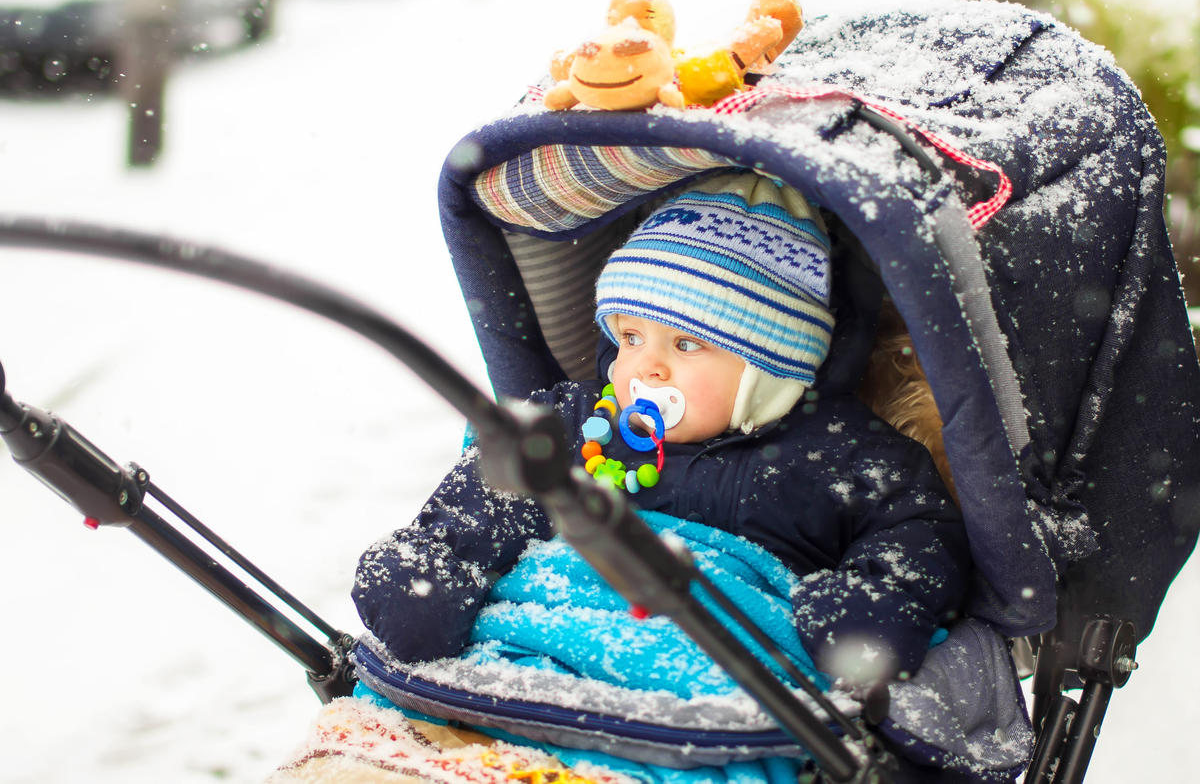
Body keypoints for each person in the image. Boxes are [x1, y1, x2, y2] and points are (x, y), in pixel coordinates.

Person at [352, 170, 969, 688]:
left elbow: (918, 536)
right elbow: (494, 498)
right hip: (536, 666)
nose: (645, 364)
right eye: (629, 336)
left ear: (769, 369)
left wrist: (870, 610)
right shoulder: (574, 424)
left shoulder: (846, 454)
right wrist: (436, 566)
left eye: (685, 343)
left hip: (716, 688)